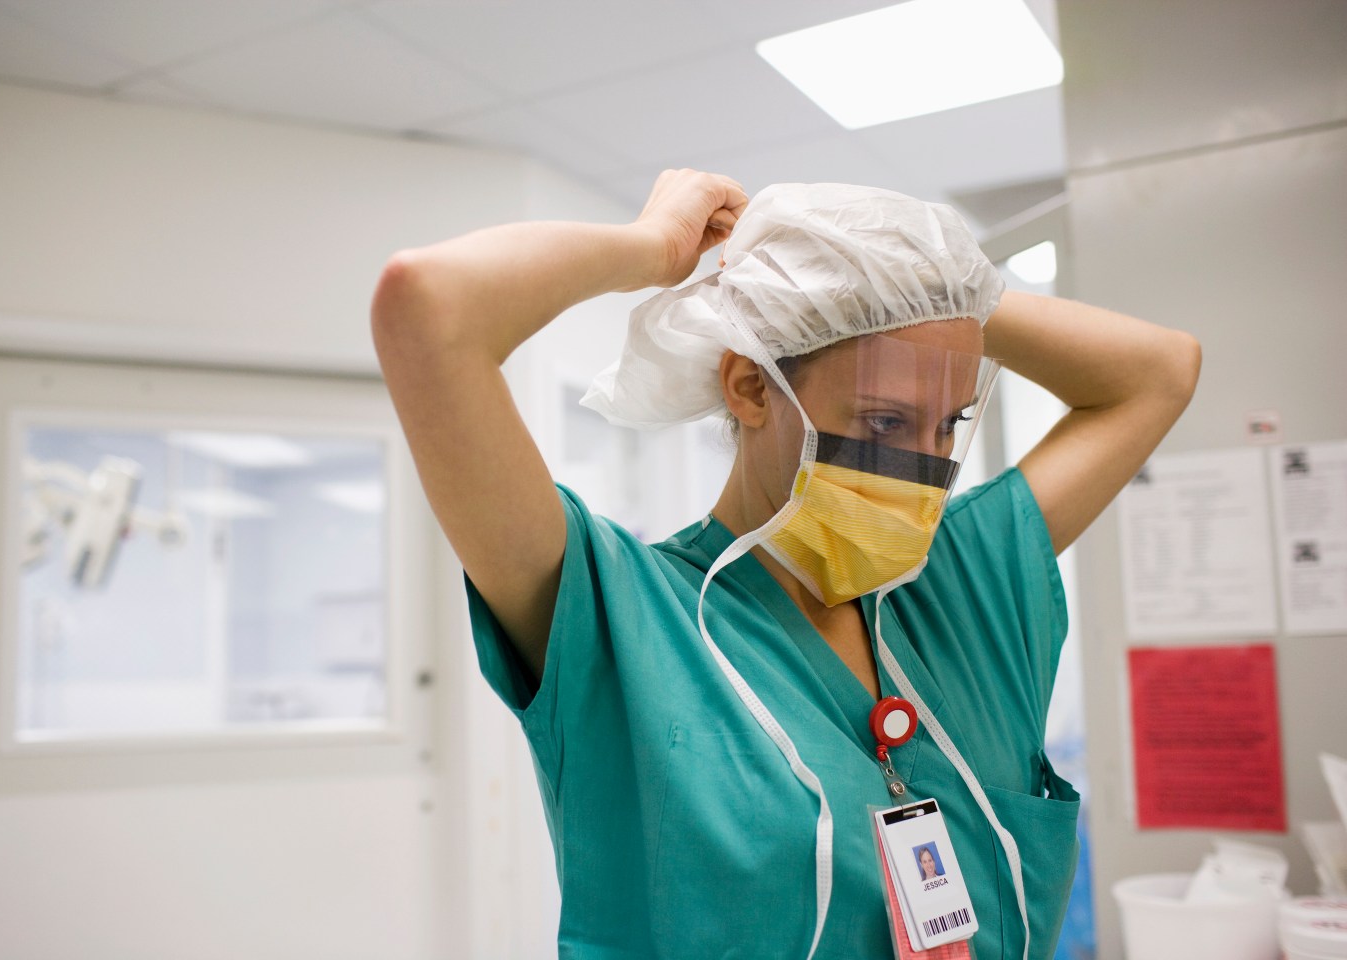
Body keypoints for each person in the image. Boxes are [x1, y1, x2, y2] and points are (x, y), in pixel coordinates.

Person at [371, 170, 1200, 959]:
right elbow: (429, 308)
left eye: (946, 426)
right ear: (752, 389)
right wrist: (651, 246)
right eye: (882, 424)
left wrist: (937, 292)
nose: (922, 470)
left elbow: (1161, 371)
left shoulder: (962, 582)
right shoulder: (622, 617)